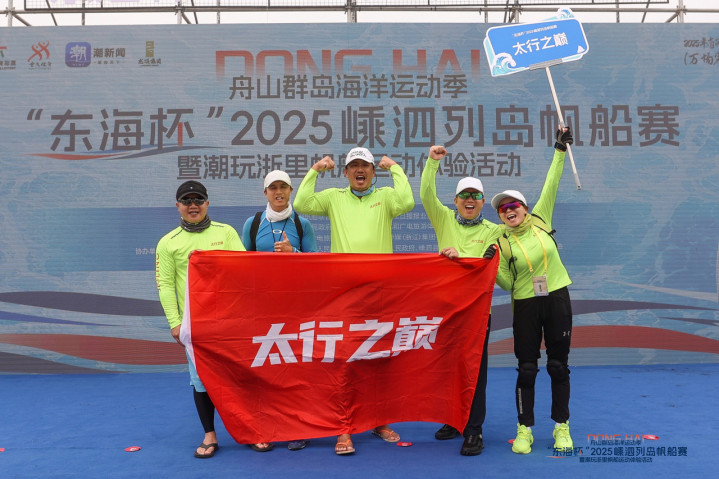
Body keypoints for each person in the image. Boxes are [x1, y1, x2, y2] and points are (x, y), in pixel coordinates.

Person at [293, 146, 415, 455]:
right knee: (345, 364)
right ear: (346, 172)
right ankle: (344, 428)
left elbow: (408, 201)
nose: (360, 170)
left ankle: (379, 421)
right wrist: (315, 170)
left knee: (379, 360)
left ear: (373, 172)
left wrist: (395, 168)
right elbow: (302, 202)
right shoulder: (334, 198)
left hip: (380, 294)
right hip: (345, 295)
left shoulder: (386, 197)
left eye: (366, 166)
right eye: (354, 166)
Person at [155, 180, 273, 458]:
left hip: (231, 321)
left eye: (198, 200)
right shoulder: (168, 243)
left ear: (207, 203)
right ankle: (210, 435)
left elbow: (243, 273)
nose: (193, 205)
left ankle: (251, 430)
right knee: (201, 380)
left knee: (241, 375)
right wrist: (175, 322)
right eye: (187, 201)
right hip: (196, 325)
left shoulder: (226, 233)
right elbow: (165, 285)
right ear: (178, 206)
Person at [491, 127, 575, 455]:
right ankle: (524, 429)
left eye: (513, 204)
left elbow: (552, 182)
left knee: (558, 365)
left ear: (525, 207)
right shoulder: (500, 240)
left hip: (556, 298)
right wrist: (492, 264)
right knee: (527, 369)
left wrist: (559, 149)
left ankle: (561, 426)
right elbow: (507, 283)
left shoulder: (541, 218)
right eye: (502, 209)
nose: (508, 210)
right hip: (525, 303)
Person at [419, 145, 500, 456]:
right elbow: (426, 194)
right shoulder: (444, 219)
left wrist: (461, 258)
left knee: (475, 372)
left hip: (476, 314)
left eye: (476, 195)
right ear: (455, 201)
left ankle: (474, 429)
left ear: (482, 202)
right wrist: (432, 163)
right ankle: (454, 419)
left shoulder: (493, 231)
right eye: (464, 195)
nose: (470, 199)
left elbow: (486, 267)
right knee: (448, 368)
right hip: (445, 311)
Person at [241, 169, 318, 451]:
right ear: (265, 192)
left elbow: (316, 264)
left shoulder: (301, 224)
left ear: (290, 191)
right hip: (262, 309)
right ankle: (263, 426)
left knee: (295, 370)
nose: (278, 192)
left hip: (295, 309)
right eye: (273, 187)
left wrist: (293, 254)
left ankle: (298, 427)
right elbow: (241, 265)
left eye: (283, 187)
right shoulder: (253, 224)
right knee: (264, 370)